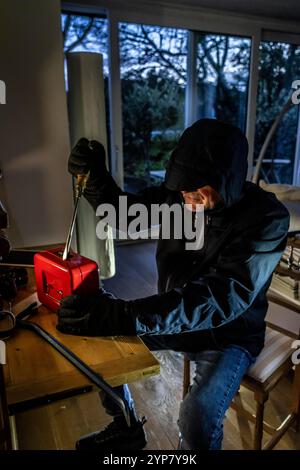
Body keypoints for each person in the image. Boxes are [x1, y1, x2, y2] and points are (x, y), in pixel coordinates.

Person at [57, 119, 289, 450]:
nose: (188, 201)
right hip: (176, 319)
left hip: (229, 335)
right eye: (184, 193)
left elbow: (220, 297)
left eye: (197, 193)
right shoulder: (180, 199)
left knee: (196, 417)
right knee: (102, 344)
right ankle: (125, 426)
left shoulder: (267, 219)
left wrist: (125, 314)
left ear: (228, 180)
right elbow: (125, 216)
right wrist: (95, 178)